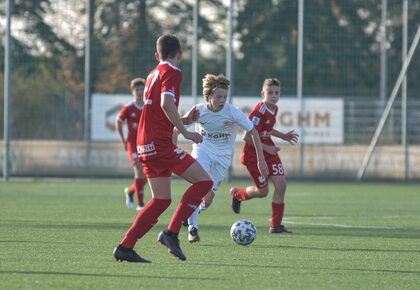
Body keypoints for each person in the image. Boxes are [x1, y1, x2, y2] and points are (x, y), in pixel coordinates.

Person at [113, 34, 212, 263]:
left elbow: (160, 112)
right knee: (204, 183)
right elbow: (166, 104)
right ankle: (171, 233)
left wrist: (184, 120)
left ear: (157, 55)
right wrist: (186, 132)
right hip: (160, 144)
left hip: (144, 143)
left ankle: (125, 247)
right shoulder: (173, 72)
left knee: (161, 200)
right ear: (179, 54)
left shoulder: (152, 74)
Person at [182, 73, 268, 243]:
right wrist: (185, 127)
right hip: (202, 150)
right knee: (198, 186)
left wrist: (261, 160)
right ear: (209, 96)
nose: (222, 100)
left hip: (222, 158)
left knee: (207, 201)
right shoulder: (199, 110)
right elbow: (182, 123)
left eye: (224, 96)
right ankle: (193, 229)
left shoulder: (233, 112)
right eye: (218, 96)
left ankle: (194, 211)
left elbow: (253, 133)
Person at [230, 78, 299, 234]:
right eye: (270, 93)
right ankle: (237, 194)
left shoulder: (274, 108)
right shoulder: (258, 112)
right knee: (263, 192)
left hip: (268, 149)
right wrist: (267, 148)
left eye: (277, 93)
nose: (274, 96)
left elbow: (267, 129)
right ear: (263, 93)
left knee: (281, 185)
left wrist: (283, 136)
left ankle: (276, 226)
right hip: (254, 155)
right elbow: (247, 137)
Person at [116, 78, 147, 211]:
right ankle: (140, 204)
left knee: (146, 176)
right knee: (139, 169)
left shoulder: (148, 106)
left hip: (145, 144)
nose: (139, 92)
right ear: (132, 92)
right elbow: (118, 121)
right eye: (137, 89)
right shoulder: (128, 108)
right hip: (132, 144)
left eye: (141, 89)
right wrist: (123, 140)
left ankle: (130, 192)